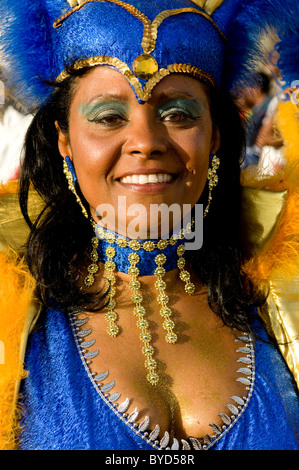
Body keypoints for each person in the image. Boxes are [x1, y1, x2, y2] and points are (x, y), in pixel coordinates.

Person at [0, 0, 298, 451]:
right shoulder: (11, 311)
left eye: (177, 113)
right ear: (64, 139)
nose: (145, 142)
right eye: (108, 117)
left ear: (214, 135)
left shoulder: (284, 293)